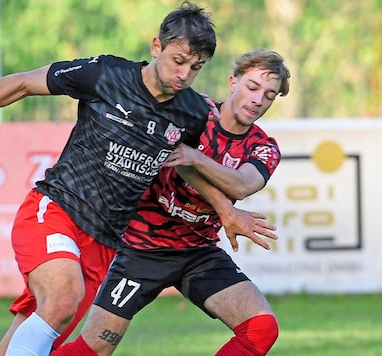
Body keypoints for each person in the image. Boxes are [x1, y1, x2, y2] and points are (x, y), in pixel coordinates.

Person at [0, 2, 233, 355]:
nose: (185, 74)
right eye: (179, 60)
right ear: (156, 46)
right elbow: (21, 84)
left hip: (105, 242)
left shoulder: (192, 113)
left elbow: (184, 164)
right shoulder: (106, 74)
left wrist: (227, 211)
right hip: (55, 211)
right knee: (64, 298)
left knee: (32, 337)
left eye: (196, 67)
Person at [51, 48, 291, 356]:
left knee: (261, 328)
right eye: (253, 87)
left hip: (198, 253)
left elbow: (243, 184)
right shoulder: (193, 111)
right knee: (94, 347)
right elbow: (165, 149)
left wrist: (197, 158)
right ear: (233, 82)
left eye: (269, 95)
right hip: (141, 247)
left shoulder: (263, 147)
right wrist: (224, 207)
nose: (258, 100)